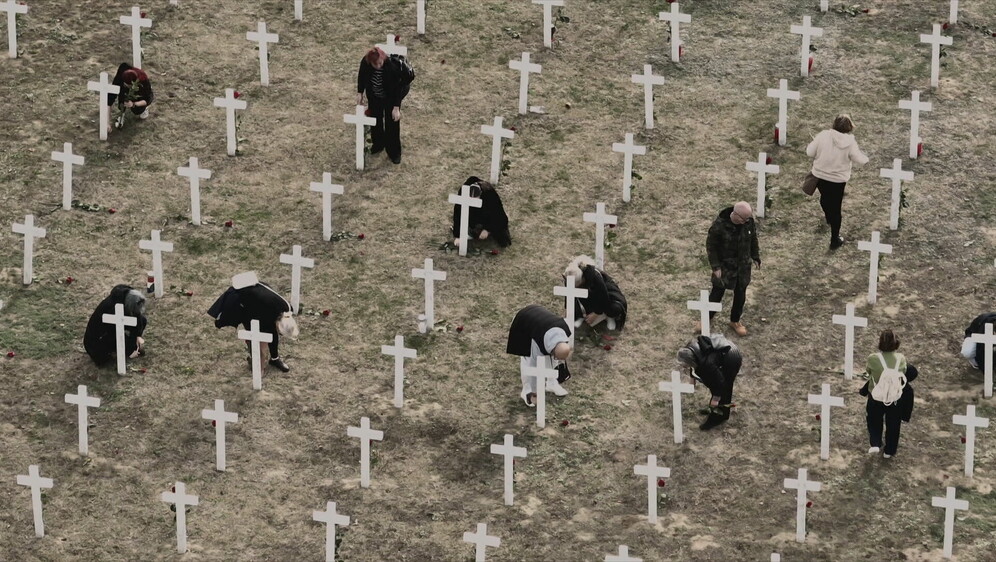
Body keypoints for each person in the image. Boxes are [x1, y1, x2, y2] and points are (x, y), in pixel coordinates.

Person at [207, 272, 298, 373]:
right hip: (243, 300)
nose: (280, 334)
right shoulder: (262, 306)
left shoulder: (287, 308)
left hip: (260, 302)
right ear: (278, 323)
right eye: (280, 332)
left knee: (271, 332)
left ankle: (274, 359)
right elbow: (251, 312)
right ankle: (255, 360)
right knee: (253, 334)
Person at [806, 114, 869, 250]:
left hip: (820, 176)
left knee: (824, 199)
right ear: (849, 127)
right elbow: (858, 158)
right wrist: (866, 159)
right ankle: (835, 238)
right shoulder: (850, 142)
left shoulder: (823, 135)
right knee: (836, 208)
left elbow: (810, 152)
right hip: (837, 181)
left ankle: (829, 217)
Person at [704, 201, 760, 336]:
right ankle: (706, 319)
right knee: (717, 292)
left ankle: (735, 321)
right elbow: (711, 247)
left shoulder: (748, 222)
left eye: (747, 219)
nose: (746, 222)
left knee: (740, 295)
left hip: (743, 267)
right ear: (735, 215)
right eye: (744, 219)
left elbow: (753, 239)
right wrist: (716, 267)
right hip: (725, 266)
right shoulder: (719, 226)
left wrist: (755, 256)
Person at [860, 329, 919, 459]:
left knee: (874, 420)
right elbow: (904, 371)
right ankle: (889, 451)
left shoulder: (873, 358)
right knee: (894, 424)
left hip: (876, 395)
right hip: (894, 396)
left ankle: (875, 443)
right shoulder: (901, 359)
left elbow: (868, 372)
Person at [506, 305, 572, 407]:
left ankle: (552, 383)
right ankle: (526, 391)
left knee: (552, 358)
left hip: (541, 322)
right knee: (527, 361)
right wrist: (534, 392)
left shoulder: (565, 330)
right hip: (523, 323)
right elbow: (533, 367)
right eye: (556, 355)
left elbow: (561, 351)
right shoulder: (538, 342)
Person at [676, 334, 742, 430]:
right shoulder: (691, 349)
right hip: (724, 352)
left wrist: (716, 399)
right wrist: (692, 379)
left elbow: (720, 382)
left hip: (732, 359)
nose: (683, 367)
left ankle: (719, 417)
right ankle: (714, 409)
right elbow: (694, 365)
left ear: (690, 361)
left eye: (685, 364)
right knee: (712, 383)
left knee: (724, 391)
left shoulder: (707, 365)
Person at [356, 47, 408, 164]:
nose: (379, 66)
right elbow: (362, 76)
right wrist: (360, 92)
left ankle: (394, 152)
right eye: (376, 64)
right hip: (374, 96)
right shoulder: (365, 62)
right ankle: (378, 144)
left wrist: (396, 107)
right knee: (375, 119)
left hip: (391, 97)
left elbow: (397, 88)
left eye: (380, 63)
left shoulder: (391, 66)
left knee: (391, 123)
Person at [83, 284, 148, 367]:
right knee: (114, 343)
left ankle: (133, 346)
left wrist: (137, 336)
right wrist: (130, 349)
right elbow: (114, 334)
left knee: (143, 320)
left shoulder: (129, 296)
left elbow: (137, 318)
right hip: (98, 339)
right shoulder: (111, 309)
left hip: (112, 328)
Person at [563, 255, 627, 331]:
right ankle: (582, 316)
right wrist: (567, 308)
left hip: (605, 296)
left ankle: (607, 316)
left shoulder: (595, 277)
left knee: (614, 308)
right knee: (576, 307)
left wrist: (596, 313)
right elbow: (569, 294)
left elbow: (604, 296)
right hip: (586, 299)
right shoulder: (569, 276)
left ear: (582, 279)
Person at [451, 176, 512, 249]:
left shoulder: (489, 193)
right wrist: (458, 235)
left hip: (486, 215)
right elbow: (458, 212)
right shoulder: (463, 191)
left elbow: (498, 215)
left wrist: (487, 229)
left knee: (501, 237)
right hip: (472, 214)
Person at [107, 63, 155, 131]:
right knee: (122, 95)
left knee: (137, 110)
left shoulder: (143, 80)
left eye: (127, 85)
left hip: (139, 93)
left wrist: (133, 104)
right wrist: (107, 122)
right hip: (125, 88)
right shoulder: (122, 71)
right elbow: (110, 98)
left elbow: (148, 99)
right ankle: (122, 114)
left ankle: (143, 109)